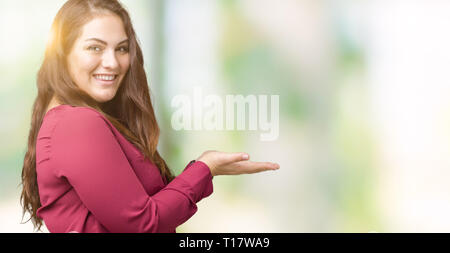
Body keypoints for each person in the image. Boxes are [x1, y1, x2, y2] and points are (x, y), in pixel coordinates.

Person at [20, 0, 279, 233]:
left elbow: (134, 212)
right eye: (95, 48)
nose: (112, 62)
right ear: (61, 53)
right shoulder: (77, 124)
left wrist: (206, 171)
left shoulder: (71, 121)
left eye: (121, 49)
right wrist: (204, 168)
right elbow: (143, 223)